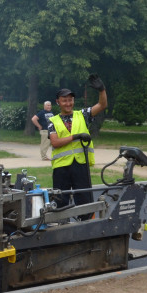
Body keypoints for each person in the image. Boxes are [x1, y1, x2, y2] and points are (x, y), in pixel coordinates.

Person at [48, 75, 108, 209]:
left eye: (70, 100)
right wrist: (76, 136)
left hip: (80, 164)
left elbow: (102, 105)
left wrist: (102, 90)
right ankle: (60, 225)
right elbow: (55, 142)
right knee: (59, 201)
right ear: (58, 102)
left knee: (85, 199)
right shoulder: (52, 121)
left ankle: (85, 223)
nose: (68, 103)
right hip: (61, 167)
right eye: (64, 101)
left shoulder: (82, 114)